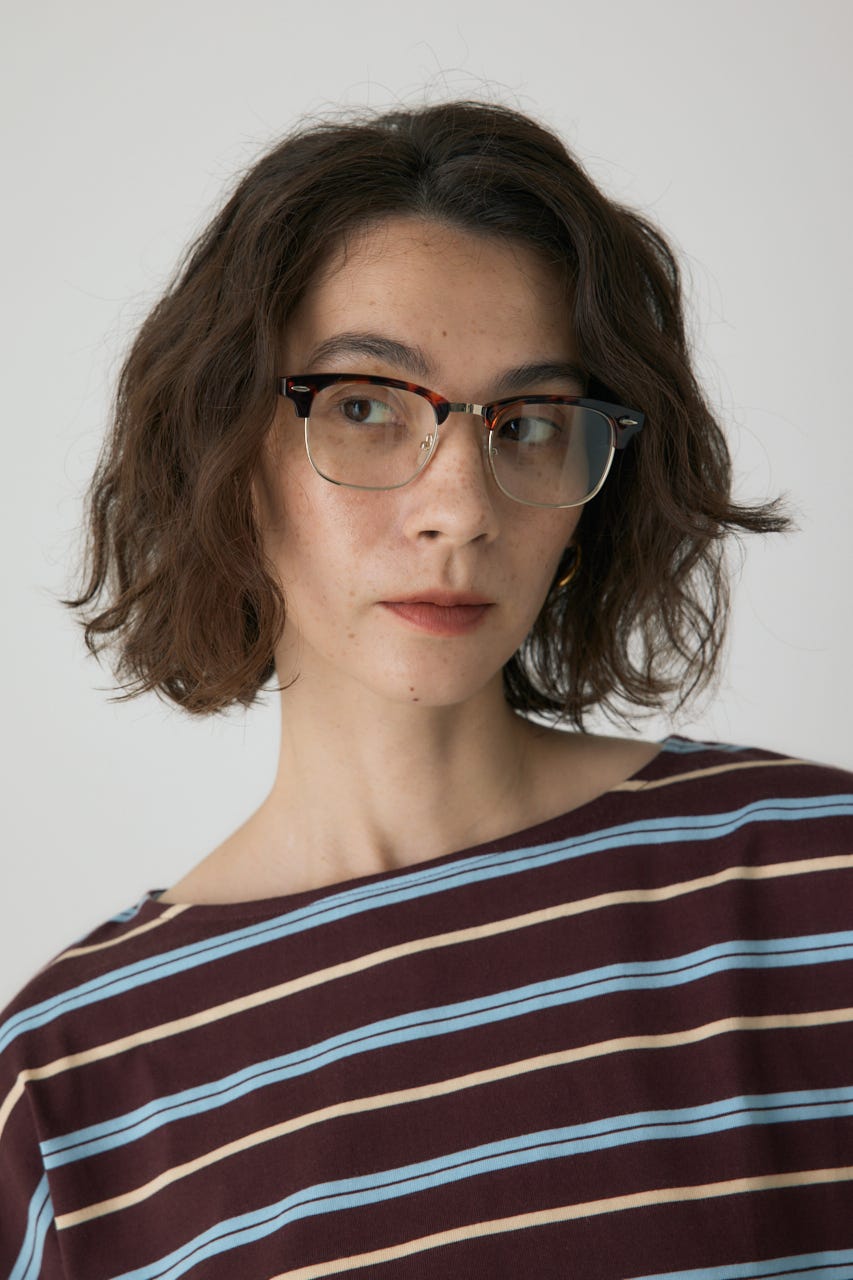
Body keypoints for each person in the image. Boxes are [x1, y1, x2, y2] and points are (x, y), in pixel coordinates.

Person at [1, 99, 851, 1280]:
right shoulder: (73, 1082)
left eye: (530, 422)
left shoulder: (813, 882)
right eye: (364, 406)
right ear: (226, 449)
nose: (460, 506)